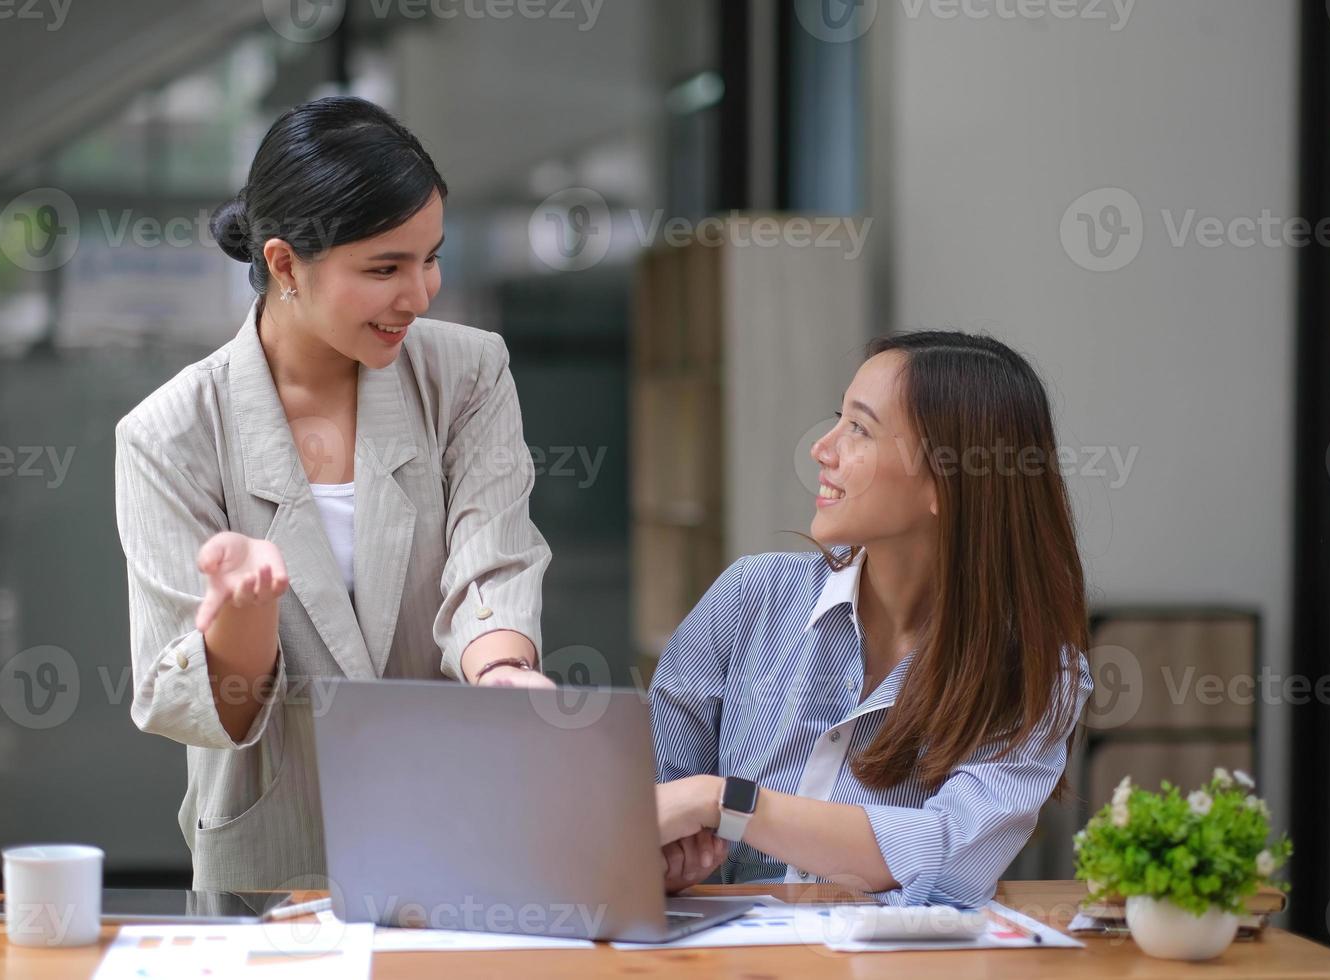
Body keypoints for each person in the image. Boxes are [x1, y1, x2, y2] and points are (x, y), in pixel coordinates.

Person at [114, 96, 551, 891]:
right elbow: (197, 706)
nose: (419, 295)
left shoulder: (467, 373)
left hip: (453, 821)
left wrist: (501, 674)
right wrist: (243, 609)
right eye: (384, 268)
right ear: (285, 265)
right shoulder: (170, 433)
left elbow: (491, 556)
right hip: (278, 848)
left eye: (430, 257)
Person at [649, 332, 1094, 907]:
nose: (822, 449)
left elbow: (949, 856)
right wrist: (664, 858)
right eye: (840, 420)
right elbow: (657, 802)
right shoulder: (749, 596)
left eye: (858, 428)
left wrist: (725, 802)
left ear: (947, 481)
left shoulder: (1036, 674)